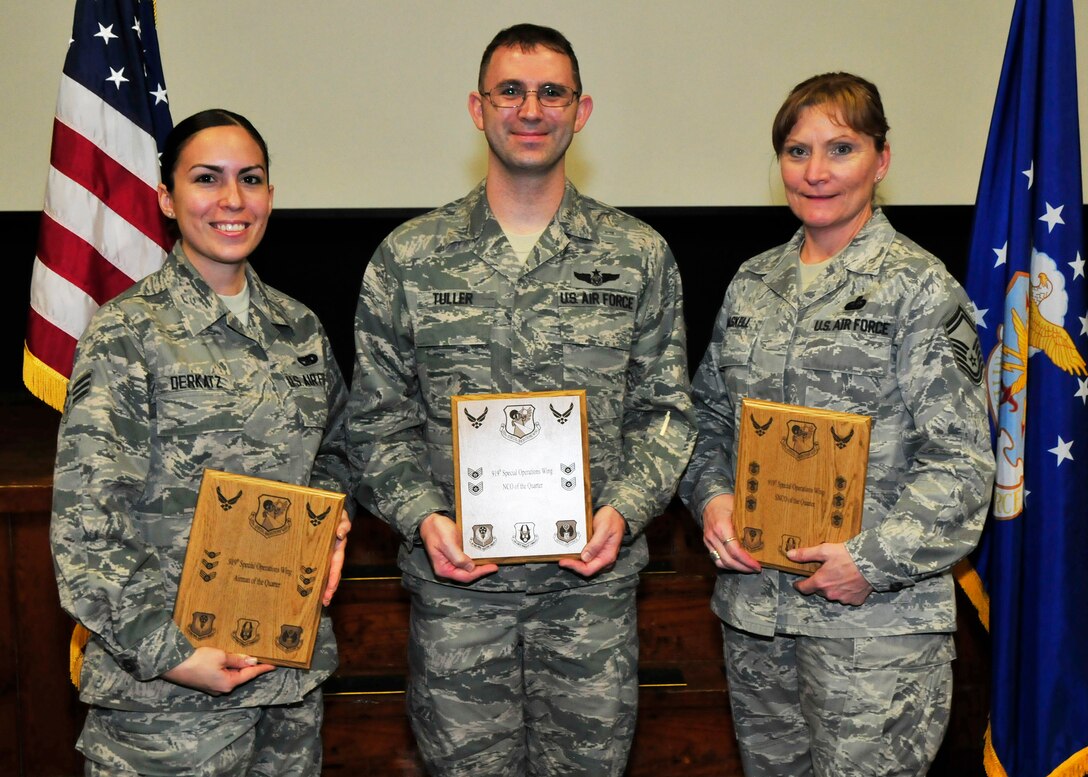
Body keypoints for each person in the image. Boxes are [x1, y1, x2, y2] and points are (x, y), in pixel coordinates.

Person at [346, 23, 695, 776]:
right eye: (510, 91)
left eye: (550, 93)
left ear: (582, 109)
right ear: (478, 108)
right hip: (459, 599)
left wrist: (624, 509)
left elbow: (666, 412)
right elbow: (375, 421)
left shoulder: (638, 254)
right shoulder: (408, 258)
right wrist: (421, 517)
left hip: (591, 596)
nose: (529, 109)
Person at [678, 72, 994, 776]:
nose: (815, 172)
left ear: (881, 160)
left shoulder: (921, 287)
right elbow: (705, 419)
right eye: (796, 151)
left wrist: (871, 561)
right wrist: (712, 499)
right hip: (759, 617)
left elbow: (963, 464)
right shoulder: (752, 283)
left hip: (875, 632)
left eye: (840, 148)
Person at [50, 109, 353, 776]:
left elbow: (334, 450)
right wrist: (173, 653)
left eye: (251, 178)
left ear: (271, 194)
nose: (232, 199)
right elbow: (87, 530)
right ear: (166, 197)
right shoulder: (128, 333)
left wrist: (333, 519)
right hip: (163, 707)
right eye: (207, 179)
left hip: (286, 689)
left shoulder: (298, 328)